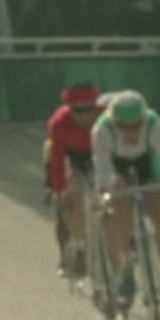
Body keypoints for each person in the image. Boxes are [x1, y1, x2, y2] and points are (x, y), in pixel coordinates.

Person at [91, 89, 160, 320]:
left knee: (158, 214)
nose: (131, 133)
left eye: (136, 126)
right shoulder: (102, 130)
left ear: (143, 119)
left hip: (148, 165)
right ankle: (126, 262)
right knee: (119, 209)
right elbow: (102, 168)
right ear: (114, 122)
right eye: (124, 127)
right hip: (118, 168)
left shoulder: (155, 125)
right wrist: (104, 199)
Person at [44, 81, 106, 278]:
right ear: (68, 108)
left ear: (95, 105)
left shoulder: (105, 116)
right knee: (63, 206)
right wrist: (59, 189)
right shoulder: (58, 122)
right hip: (68, 154)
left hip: (97, 152)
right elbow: (57, 161)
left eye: (89, 109)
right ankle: (68, 255)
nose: (83, 114)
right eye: (77, 110)